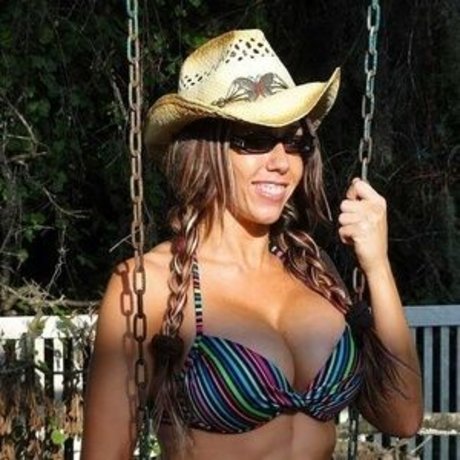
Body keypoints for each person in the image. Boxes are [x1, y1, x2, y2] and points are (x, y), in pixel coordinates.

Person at [81, 29, 423, 460]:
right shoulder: (148, 286)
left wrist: (376, 265)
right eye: (254, 140)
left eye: (295, 142)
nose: (280, 162)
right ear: (204, 149)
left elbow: (402, 417)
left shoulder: (312, 269)